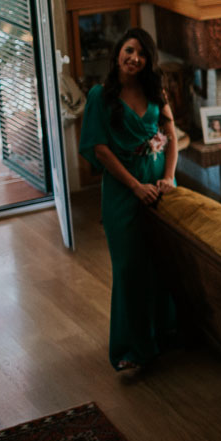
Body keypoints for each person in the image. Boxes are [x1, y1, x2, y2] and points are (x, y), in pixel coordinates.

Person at [79, 27, 179, 372]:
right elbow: (100, 150)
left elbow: (171, 136)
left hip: (159, 185)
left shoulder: (155, 91)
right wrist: (136, 186)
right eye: (130, 51)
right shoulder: (100, 96)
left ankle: (163, 333)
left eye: (142, 54)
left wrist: (168, 176)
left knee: (161, 264)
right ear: (118, 53)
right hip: (124, 191)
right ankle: (131, 346)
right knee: (129, 269)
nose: (135, 58)